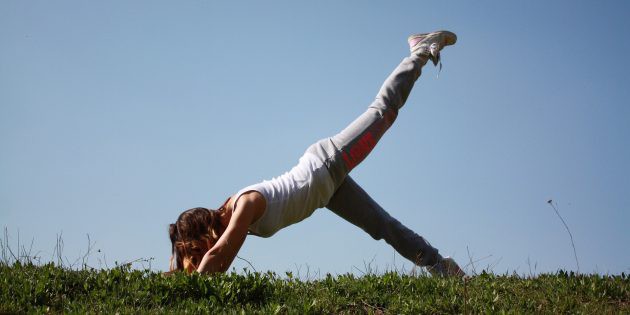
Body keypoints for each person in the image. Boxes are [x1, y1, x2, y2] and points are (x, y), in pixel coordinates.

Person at [168, 30, 465, 277]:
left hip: (326, 164)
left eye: (197, 249)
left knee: (383, 112)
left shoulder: (244, 205)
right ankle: (442, 267)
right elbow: (202, 259)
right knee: (382, 226)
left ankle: (420, 50)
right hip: (326, 192)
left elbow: (220, 255)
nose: (200, 254)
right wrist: (179, 271)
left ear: (204, 232)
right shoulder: (232, 222)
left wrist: (195, 291)